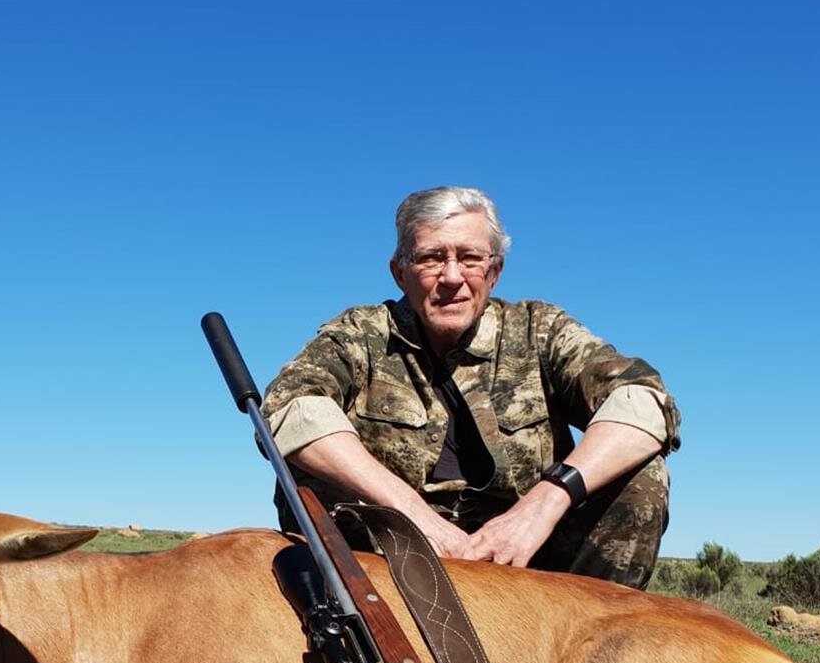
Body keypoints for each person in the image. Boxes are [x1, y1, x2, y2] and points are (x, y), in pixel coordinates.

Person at [261, 186, 680, 589]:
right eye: (430, 258)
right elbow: (288, 407)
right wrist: (414, 517)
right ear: (399, 272)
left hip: (523, 549)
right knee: (306, 465)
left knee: (639, 473)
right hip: (384, 547)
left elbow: (642, 398)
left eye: (470, 258)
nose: (451, 277)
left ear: (494, 271)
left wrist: (544, 504)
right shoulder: (358, 334)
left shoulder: (540, 329)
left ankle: (590, 629)